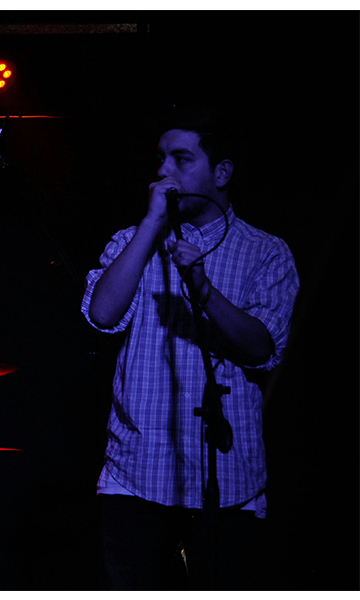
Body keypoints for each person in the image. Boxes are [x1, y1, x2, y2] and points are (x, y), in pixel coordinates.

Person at [81, 107, 299, 590]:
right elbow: (102, 314)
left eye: (181, 159)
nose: (164, 171)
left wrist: (203, 289)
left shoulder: (266, 252)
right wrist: (151, 223)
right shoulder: (131, 241)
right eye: (161, 159)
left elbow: (262, 347)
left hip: (228, 480)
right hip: (135, 475)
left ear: (221, 173)